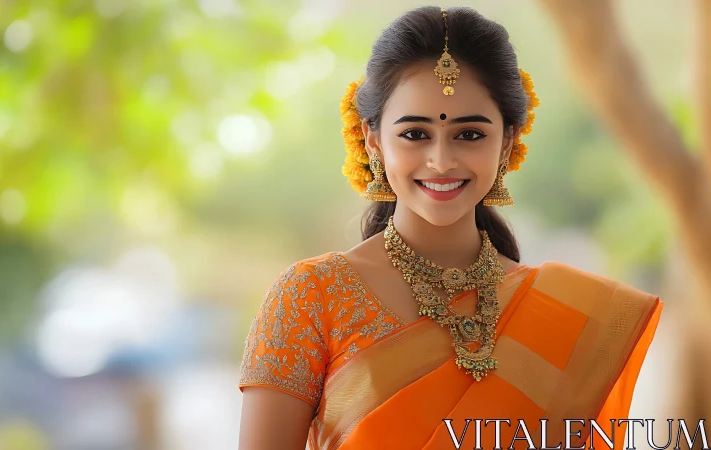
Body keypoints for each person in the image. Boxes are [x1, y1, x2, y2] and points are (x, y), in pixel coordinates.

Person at [237, 6, 664, 450]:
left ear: (508, 141)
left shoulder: (566, 314)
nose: (441, 161)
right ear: (374, 140)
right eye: (415, 134)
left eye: (470, 134)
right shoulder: (310, 296)